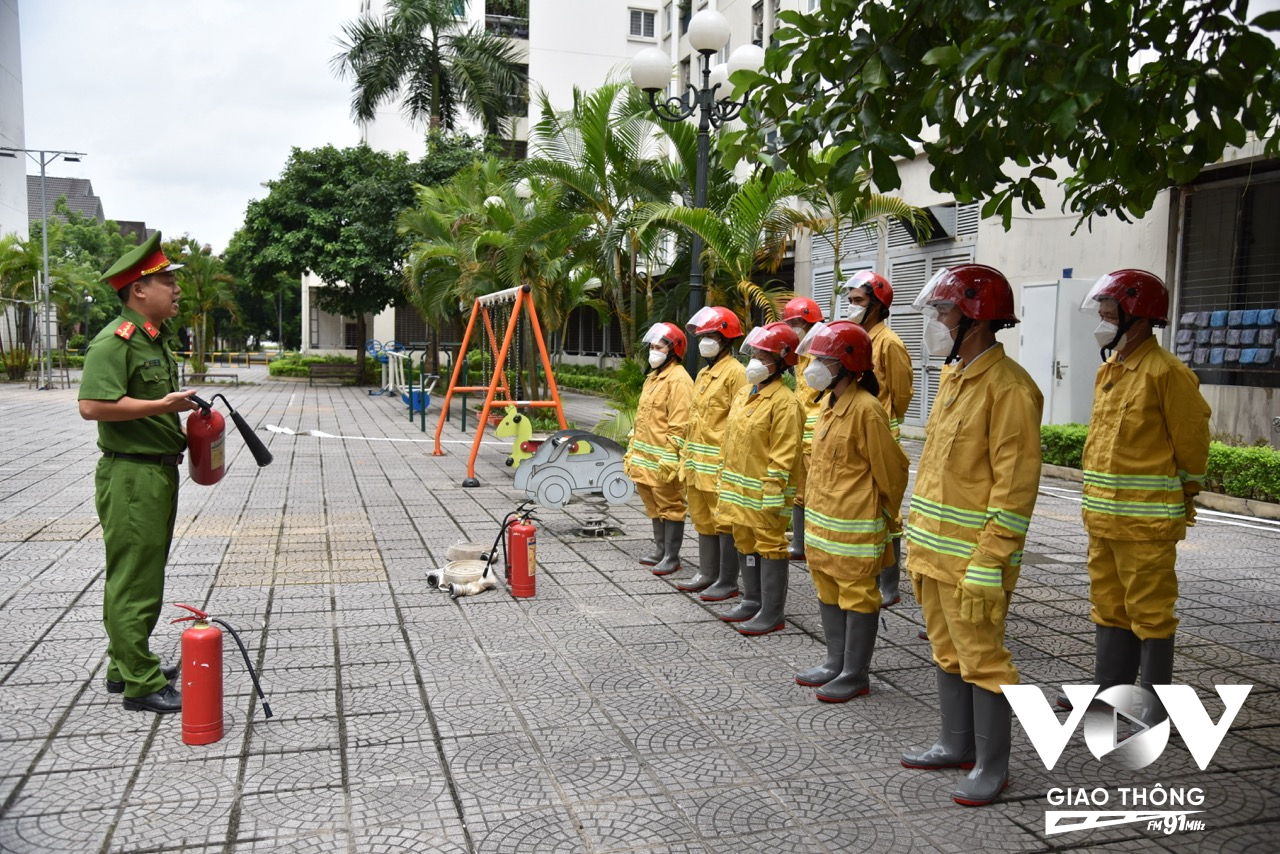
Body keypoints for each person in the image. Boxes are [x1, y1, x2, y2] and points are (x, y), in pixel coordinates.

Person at [899, 264, 1043, 807]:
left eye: (943, 312)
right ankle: (956, 743)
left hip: (975, 560)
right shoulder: (955, 378)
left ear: (975, 320)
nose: (934, 322)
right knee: (947, 649)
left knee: (984, 658)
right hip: (933, 553)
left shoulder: (1010, 390)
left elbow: (1015, 486)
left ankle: (992, 764)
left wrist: (991, 557)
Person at [1056, 270, 1210, 724]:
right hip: (1104, 521)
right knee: (1108, 604)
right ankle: (1108, 691)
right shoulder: (1112, 369)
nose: (1102, 316)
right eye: (1102, 307)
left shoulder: (1167, 374)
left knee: (1150, 612)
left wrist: (1182, 492)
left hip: (1146, 525)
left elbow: (1192, 447)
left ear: (1138, 316)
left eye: (1110, 309)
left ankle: (1155, 706)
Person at [78, 231, 198, 714]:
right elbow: (92, 406)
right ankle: (140, 684)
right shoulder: (115, 341)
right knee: (135, 578)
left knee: (140, 572)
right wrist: (161, 403)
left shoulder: (153, 340)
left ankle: (125, 662)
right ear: (138, 290)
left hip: (154, 473)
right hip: (131, 477)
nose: (176, 289)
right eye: (166, 280)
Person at [793, 320, 909, 702]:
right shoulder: (829, 404)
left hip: (855, 528)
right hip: (824, 529)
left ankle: (854, 672)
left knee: (858, 595)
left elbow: (892, 470)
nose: (813, 366)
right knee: (828, 589)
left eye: (823, 359)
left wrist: (887, 518)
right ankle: (834, 662)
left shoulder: (866, 409)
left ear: (845, 364)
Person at [714, 322, 805, 635]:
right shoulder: (744, 393)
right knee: (745, 541)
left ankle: (772, 611)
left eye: (763, 354)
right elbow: (732, 440)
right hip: (739, 491)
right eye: (754, 351)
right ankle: (751, 599)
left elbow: (784, 453)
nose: (754, 358)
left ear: (781, 360)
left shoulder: (786, 403)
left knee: (770, 546)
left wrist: (773, 493)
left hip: (767, 494)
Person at [843, 270, 914, 607]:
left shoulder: (890, 343)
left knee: (888, 512)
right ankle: (868, 572)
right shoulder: (856, 338)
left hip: (882, 436)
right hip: (859, 437)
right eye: (851, 300)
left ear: (878, 304)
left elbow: (900, 394)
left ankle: (890, 585)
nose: (852, 306)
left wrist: (885, 423)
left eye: (859, 301)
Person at [674, 306, 748, 598]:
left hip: (719, 465)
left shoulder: (736, 374)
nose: (704, 340)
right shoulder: (704, 373)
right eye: (702, 335)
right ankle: (708, 572)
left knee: (724, 521)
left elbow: (741, 422)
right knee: (703, 519)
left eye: (710, 335)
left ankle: (727, 581)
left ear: (726, 338)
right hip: (697, 465)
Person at [624, 322, 693, 576]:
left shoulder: (679, 380)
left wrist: (671, 455)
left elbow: (680, 422)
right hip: (646, 457)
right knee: (653, 504)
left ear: (673, 350)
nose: (653, 350)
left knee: (671, 504)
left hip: (663, 457)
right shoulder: (653, 377)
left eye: (658, 346)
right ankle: (660, 549)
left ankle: (672, 556)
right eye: (651, 346)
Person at [781, 296, 825, 561]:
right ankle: (799, 543)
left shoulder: (822, 349)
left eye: (798, 322)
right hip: (802, 432)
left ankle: (816, 545)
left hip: (819, 434)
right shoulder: (800, 353)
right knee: (799, 492)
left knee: (818, 493)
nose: (794, 327)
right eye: (791, 323)